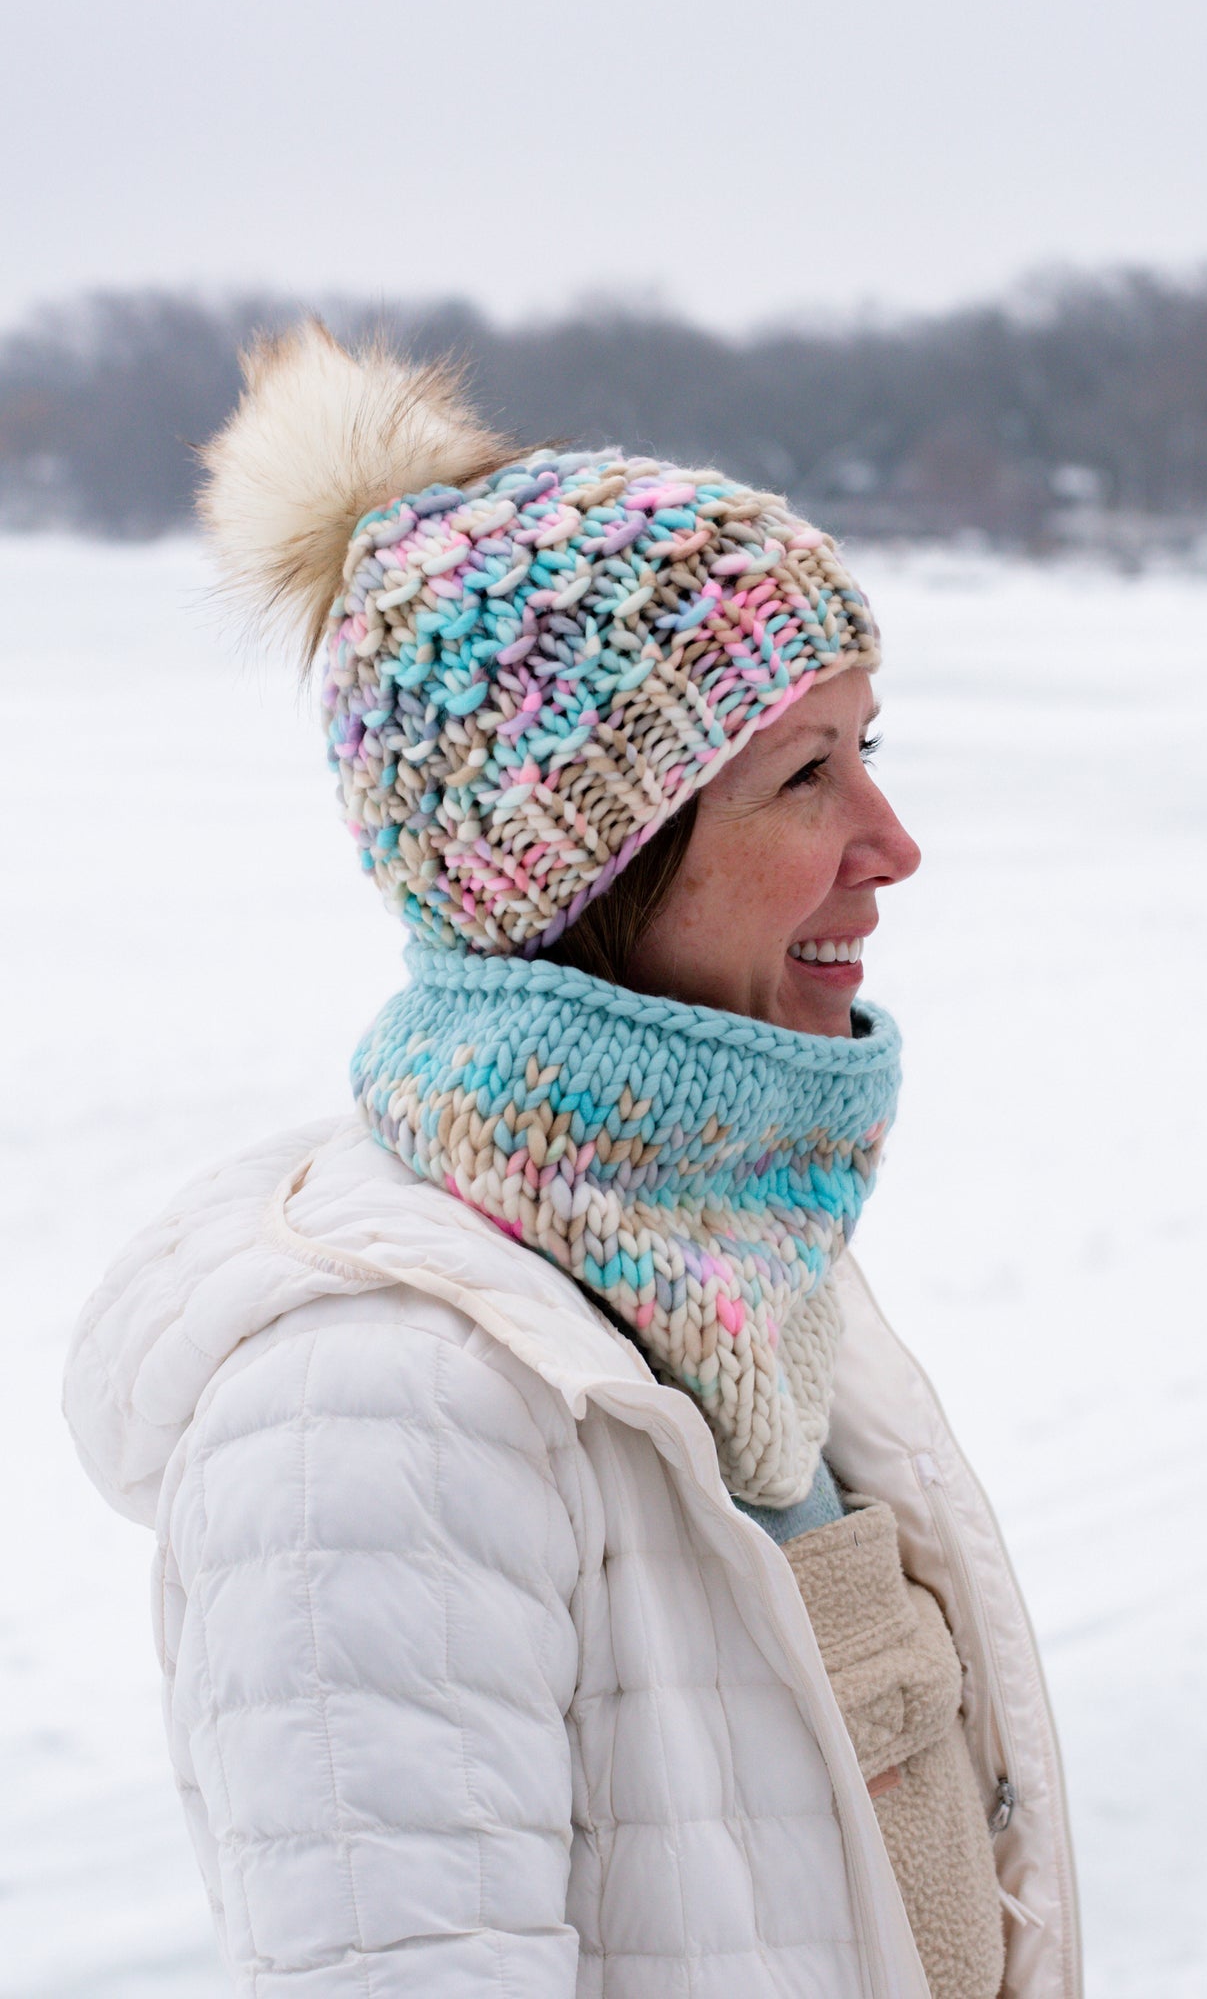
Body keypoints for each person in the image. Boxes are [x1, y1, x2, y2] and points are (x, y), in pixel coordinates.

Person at [64, 323, 1080, 1998]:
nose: (892, 846)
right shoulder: (376, 1406)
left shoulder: (737, 1277)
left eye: (869, 749)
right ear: (578, 865)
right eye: (802, 775)